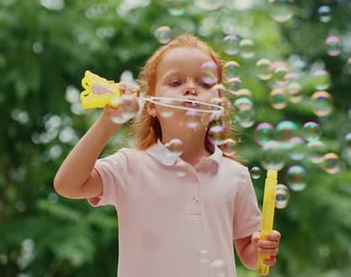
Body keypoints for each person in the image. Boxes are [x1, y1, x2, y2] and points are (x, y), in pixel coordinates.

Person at [54, 33, 281, 277]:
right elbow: (68, 185)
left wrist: (261, 248)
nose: (191, 89)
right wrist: (109, 120)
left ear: (217, 105)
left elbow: (248, 253)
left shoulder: (235, 175)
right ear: (151, 105)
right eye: (176, 83)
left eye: (205, 84)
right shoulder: (130, 166)